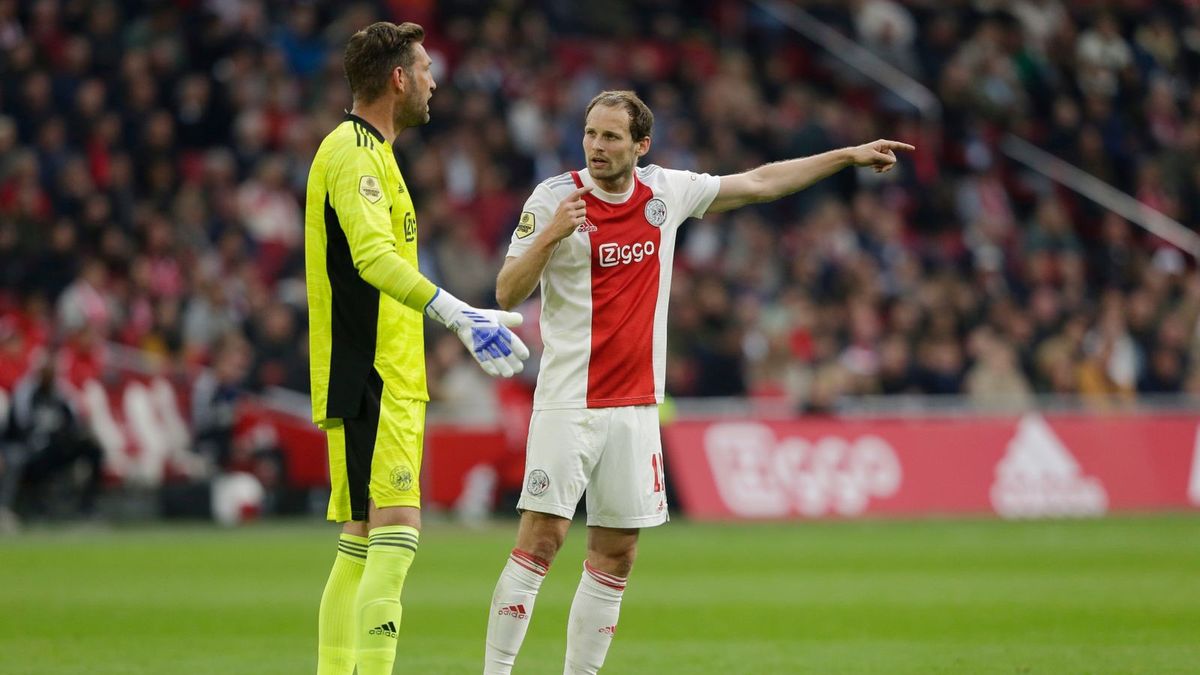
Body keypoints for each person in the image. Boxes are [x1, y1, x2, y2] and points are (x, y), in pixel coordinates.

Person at [484, 90, 913, 674]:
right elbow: (507, 290)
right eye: (590, 134)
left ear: (641, 145)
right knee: (541, 540)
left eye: (611, 137)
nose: (596, 147)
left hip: (637, 409)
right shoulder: (555, 198)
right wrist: (550, 235)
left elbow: (761, 183)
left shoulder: (666, 191)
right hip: (569, 402)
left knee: (617, 552)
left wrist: (846, 156)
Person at [304, 22, 530, 675]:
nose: (435, 80)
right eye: (426, 68)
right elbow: (373, 257)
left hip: (390, 371)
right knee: (394, 534)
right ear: (398, 78)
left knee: (364, 537)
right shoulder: (350, 152)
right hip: (367, 367)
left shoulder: (377, 152)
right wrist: (455, 312)